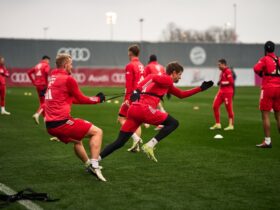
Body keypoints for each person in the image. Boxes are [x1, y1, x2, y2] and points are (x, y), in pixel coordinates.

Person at [100, 61, 213, 162]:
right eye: (179, 75)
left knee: (119, 142)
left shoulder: (167, 83)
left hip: (134, 110)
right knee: (173, 123)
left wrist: (200, 88)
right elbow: (151, 77)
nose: (180, 78)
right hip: (144, 110)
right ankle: (150, 145)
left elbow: (181, 95)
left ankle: (95, 160)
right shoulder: (167, 79)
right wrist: (137, 90)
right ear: (173, 73)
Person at [44, 53, 107, 181]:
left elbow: (72, 99)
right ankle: (95, 165)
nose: (72, 67)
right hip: (61, 123)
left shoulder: (53, 77)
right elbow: (81, 98)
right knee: (97, 132)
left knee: (77, 140)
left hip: (50, 126)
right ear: (66, 64)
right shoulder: (68, 79)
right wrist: (98, 99)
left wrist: (96, 99)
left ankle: (88, 164)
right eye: (71, 64)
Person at [118, 44, 145, 152]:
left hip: (132, 97)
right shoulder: (141, 65)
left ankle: (135, 138)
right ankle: (136, 146)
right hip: (140, 96)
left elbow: (129, 85)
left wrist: (126, 100)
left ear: (130, 53)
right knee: (136, 121)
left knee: (121, 118)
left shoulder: (130, 65)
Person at [254, 41, 280, 148]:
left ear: (265, 49)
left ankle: (268, 141)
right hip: (279, 88)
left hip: (268, 88)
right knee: (278, 115)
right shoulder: (279, 59)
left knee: (265, 115)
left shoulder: (264, 59)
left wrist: (262, 74)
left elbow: (256, 68)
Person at [210, 59, 234, 131]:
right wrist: (219, 82)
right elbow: (222, 81)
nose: (218, 66)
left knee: (228, 108)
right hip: (221, 92)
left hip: (227, 92)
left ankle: (231, 125)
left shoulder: (228, 71)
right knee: (215, 106)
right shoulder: (222, 72)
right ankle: (218, 124)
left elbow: (231, 82)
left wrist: (222, 83)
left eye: (219, 65)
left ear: (224, 64)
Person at [144, 54, 166, 130]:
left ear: (150, 59)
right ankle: (162, 113)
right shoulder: (161, 66)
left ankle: (149, 121)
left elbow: (146, 78)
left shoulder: (148, 66)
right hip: (162, 87)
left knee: (148, 103)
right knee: (156, 103)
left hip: (153, 87)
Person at [27, 56, 51, 124]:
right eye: (48, 60)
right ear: (45, 60)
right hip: (44, 85)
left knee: (42, 102)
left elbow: (29, 72)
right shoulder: (46, 65)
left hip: (37, 85)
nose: (49, 62)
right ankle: (37, 114)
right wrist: (46, 81)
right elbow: (46, 72)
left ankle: (45, 118)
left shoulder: (37, 65)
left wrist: (33, 81)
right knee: (47, 102)